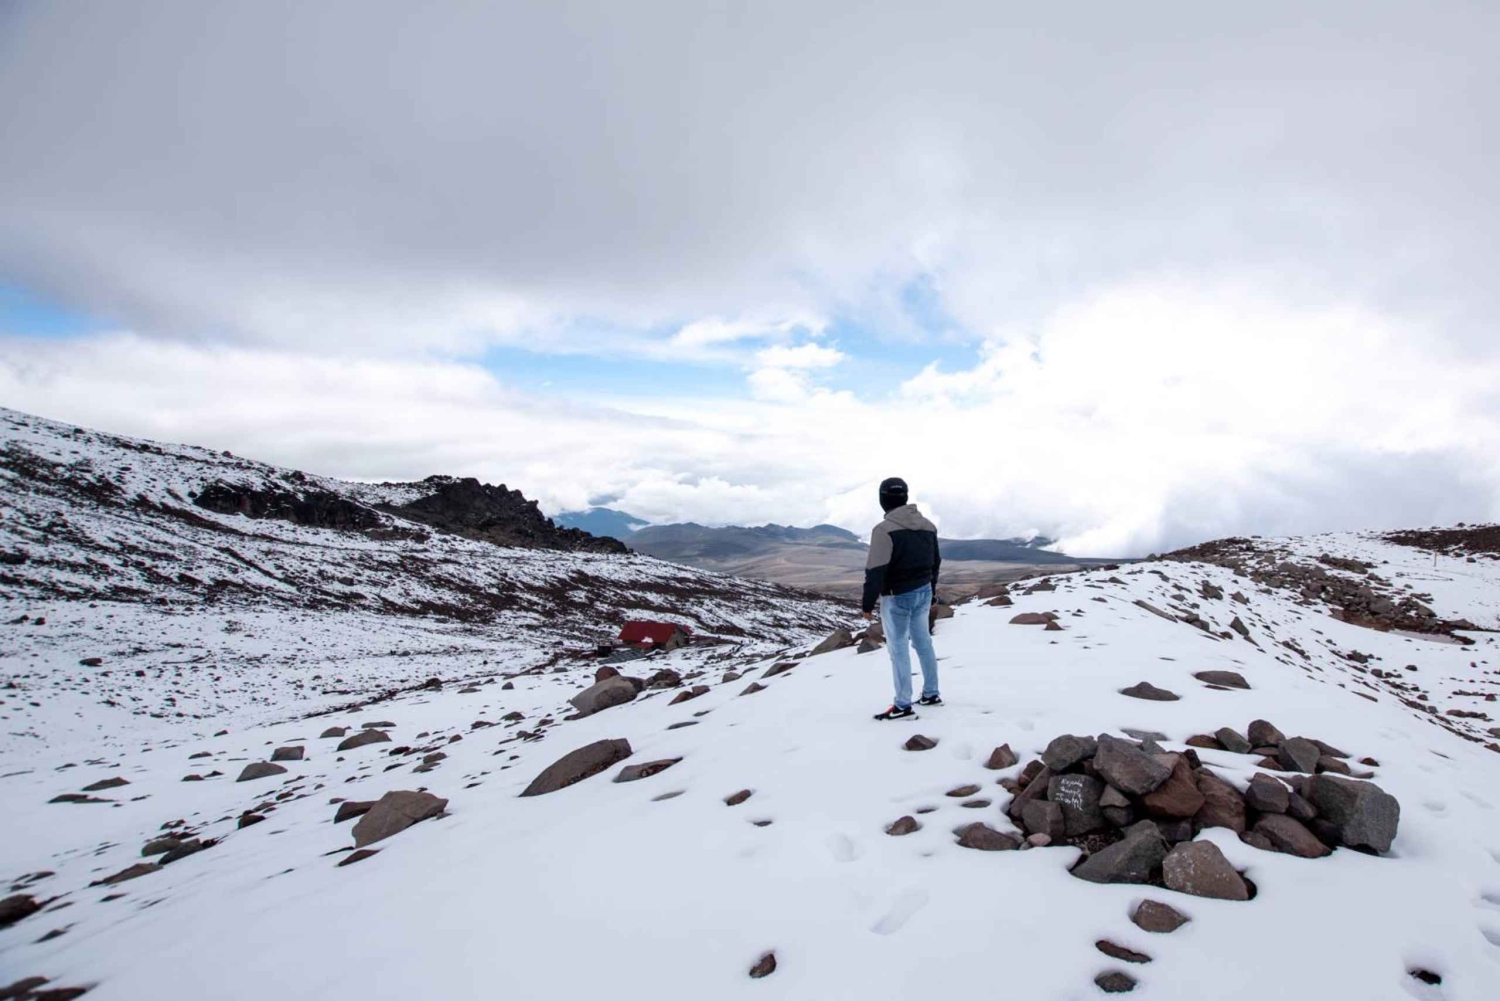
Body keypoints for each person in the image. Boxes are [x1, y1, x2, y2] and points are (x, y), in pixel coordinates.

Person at [861, 477, 941, 720]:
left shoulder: (883, 530)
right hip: (924, 591)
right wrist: (932, 590)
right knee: (923, 643)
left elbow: (876, 570)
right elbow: (935, 562)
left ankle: (903, 705)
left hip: (897, 597)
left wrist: (867, 604)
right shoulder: (928, 526)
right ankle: (931, 693)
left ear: (883, 499)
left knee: (898, 650)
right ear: (905, 497)